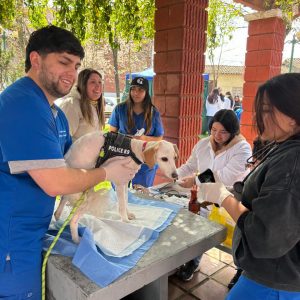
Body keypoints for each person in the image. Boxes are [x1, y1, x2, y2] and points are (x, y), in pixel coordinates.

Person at [0, 25, 139, 299]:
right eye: (64, 62)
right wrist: (106, 173)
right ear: (36, 59)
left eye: (76, 65)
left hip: (32, 229)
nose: (71, 73)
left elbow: (73, 165)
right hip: (10, 238)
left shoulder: (53, 113)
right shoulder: (22, 104)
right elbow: (57, 181)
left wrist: (109, 162)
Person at [195, 73, 300, 299]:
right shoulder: (282, 147)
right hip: (269, 274)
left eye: (266, 110)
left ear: (293, 116)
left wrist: (223, 197)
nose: (258, 117)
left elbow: (266, 235)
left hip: (274, 280)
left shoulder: (293, 160)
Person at [176, 109, 252, 281]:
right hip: (205, 196)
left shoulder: (243, 148)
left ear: (233, 131)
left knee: (236, 237)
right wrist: (174, 174)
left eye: (223, 132)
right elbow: (189, 166)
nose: (217, 135)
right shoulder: (203, 144)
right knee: (196, 229)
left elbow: (225, 176)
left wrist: (195, 180)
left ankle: (240, 270)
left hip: (230, 199)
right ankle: (193, 262)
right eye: (214, 130)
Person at [109, 76, 164, 187]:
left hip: (144, 158)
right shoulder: (120, 109)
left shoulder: (153, 112)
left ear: (146, 92)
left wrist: (143, 139)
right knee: (119, 192)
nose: (136, 93)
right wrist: (124, 140)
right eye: (133, 89)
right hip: (122, 156)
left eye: (140, 90)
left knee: (141, 193)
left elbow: (159, 138)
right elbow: (112, 134)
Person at [59, 68, 105, 141]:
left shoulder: (94, 105)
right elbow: (63, 140)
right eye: (93, 82)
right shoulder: (71, 105)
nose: (98, 86)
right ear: (83, 84)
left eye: (100, 82)